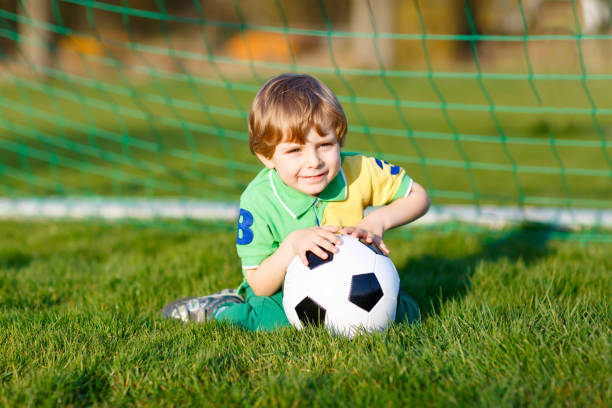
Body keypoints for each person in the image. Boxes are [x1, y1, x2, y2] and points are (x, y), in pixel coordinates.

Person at [161, 73, 430, 331]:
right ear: (267, 157)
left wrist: (377, 220)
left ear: (339, 138)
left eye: (324, 145)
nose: (313, 161)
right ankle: (221, 308)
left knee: (407, 313)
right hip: (281, 290)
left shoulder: (360, 169)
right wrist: (291, 246)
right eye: (294, 150)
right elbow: (260, 285)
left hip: (353, 282)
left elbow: (419, 196)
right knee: (270, 321)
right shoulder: (259, 200)